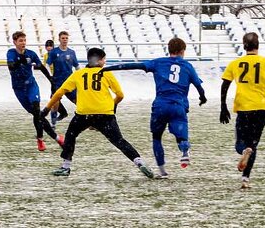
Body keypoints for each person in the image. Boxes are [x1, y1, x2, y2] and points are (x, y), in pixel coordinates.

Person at [42, 47, 155, 179]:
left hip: (84, 114)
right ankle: (138, 161)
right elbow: (120, 95)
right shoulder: (106, 73)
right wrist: (113, 105)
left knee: (71, 135)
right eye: (104, 59)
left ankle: (66, 166)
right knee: (118, 140)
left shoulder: (78, 74)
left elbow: (59, 92)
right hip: (105, 113)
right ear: (100, 61)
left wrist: (47, 109)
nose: (104, 62)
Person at [104, 37, 207, 178]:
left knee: (157, 138)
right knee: (182, 137)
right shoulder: (187, 66)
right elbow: (199, 86)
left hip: (160, 106)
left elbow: (134, 66)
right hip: (178, 106)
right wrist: (202, 98)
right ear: (183, 51)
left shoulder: (158, 62)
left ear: (169, 50)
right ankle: (184, 150)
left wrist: (109, 68)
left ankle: (162, 171)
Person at [220, 32, 265, 189]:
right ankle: (245, 178)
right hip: (262, 108)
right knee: (253, 144)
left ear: (244, 46)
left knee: (240, 144)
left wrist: (223, 106)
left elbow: (225, 85)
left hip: (244, 107)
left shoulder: (236, 63)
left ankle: (244, 151)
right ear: (258, 45)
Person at [6, 31, 62, 152]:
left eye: (24, 40)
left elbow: (41, 67)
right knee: (37, 115)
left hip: (31, 86)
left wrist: (51, 80)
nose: (23, 43)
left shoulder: (31, 54)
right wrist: (20, 60)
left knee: (37, 110)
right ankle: (57, 138)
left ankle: (40, 139)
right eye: (20, 41)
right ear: (15, 42)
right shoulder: (11, 53)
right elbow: (11, 66)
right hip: (19, 89)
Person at [45, 31, 78, 125]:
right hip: (57, 81)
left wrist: (79, 76)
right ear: (59, 39)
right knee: (55, 102)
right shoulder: (54, 52)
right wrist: (50, 76)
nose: (65, 40)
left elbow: (77, 66)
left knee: (78, 101)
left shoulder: (72, 52)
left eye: (66, 38)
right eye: (63, 38)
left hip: (70, 81)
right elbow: (47, 64)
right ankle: (53, 124)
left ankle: (89, 121)